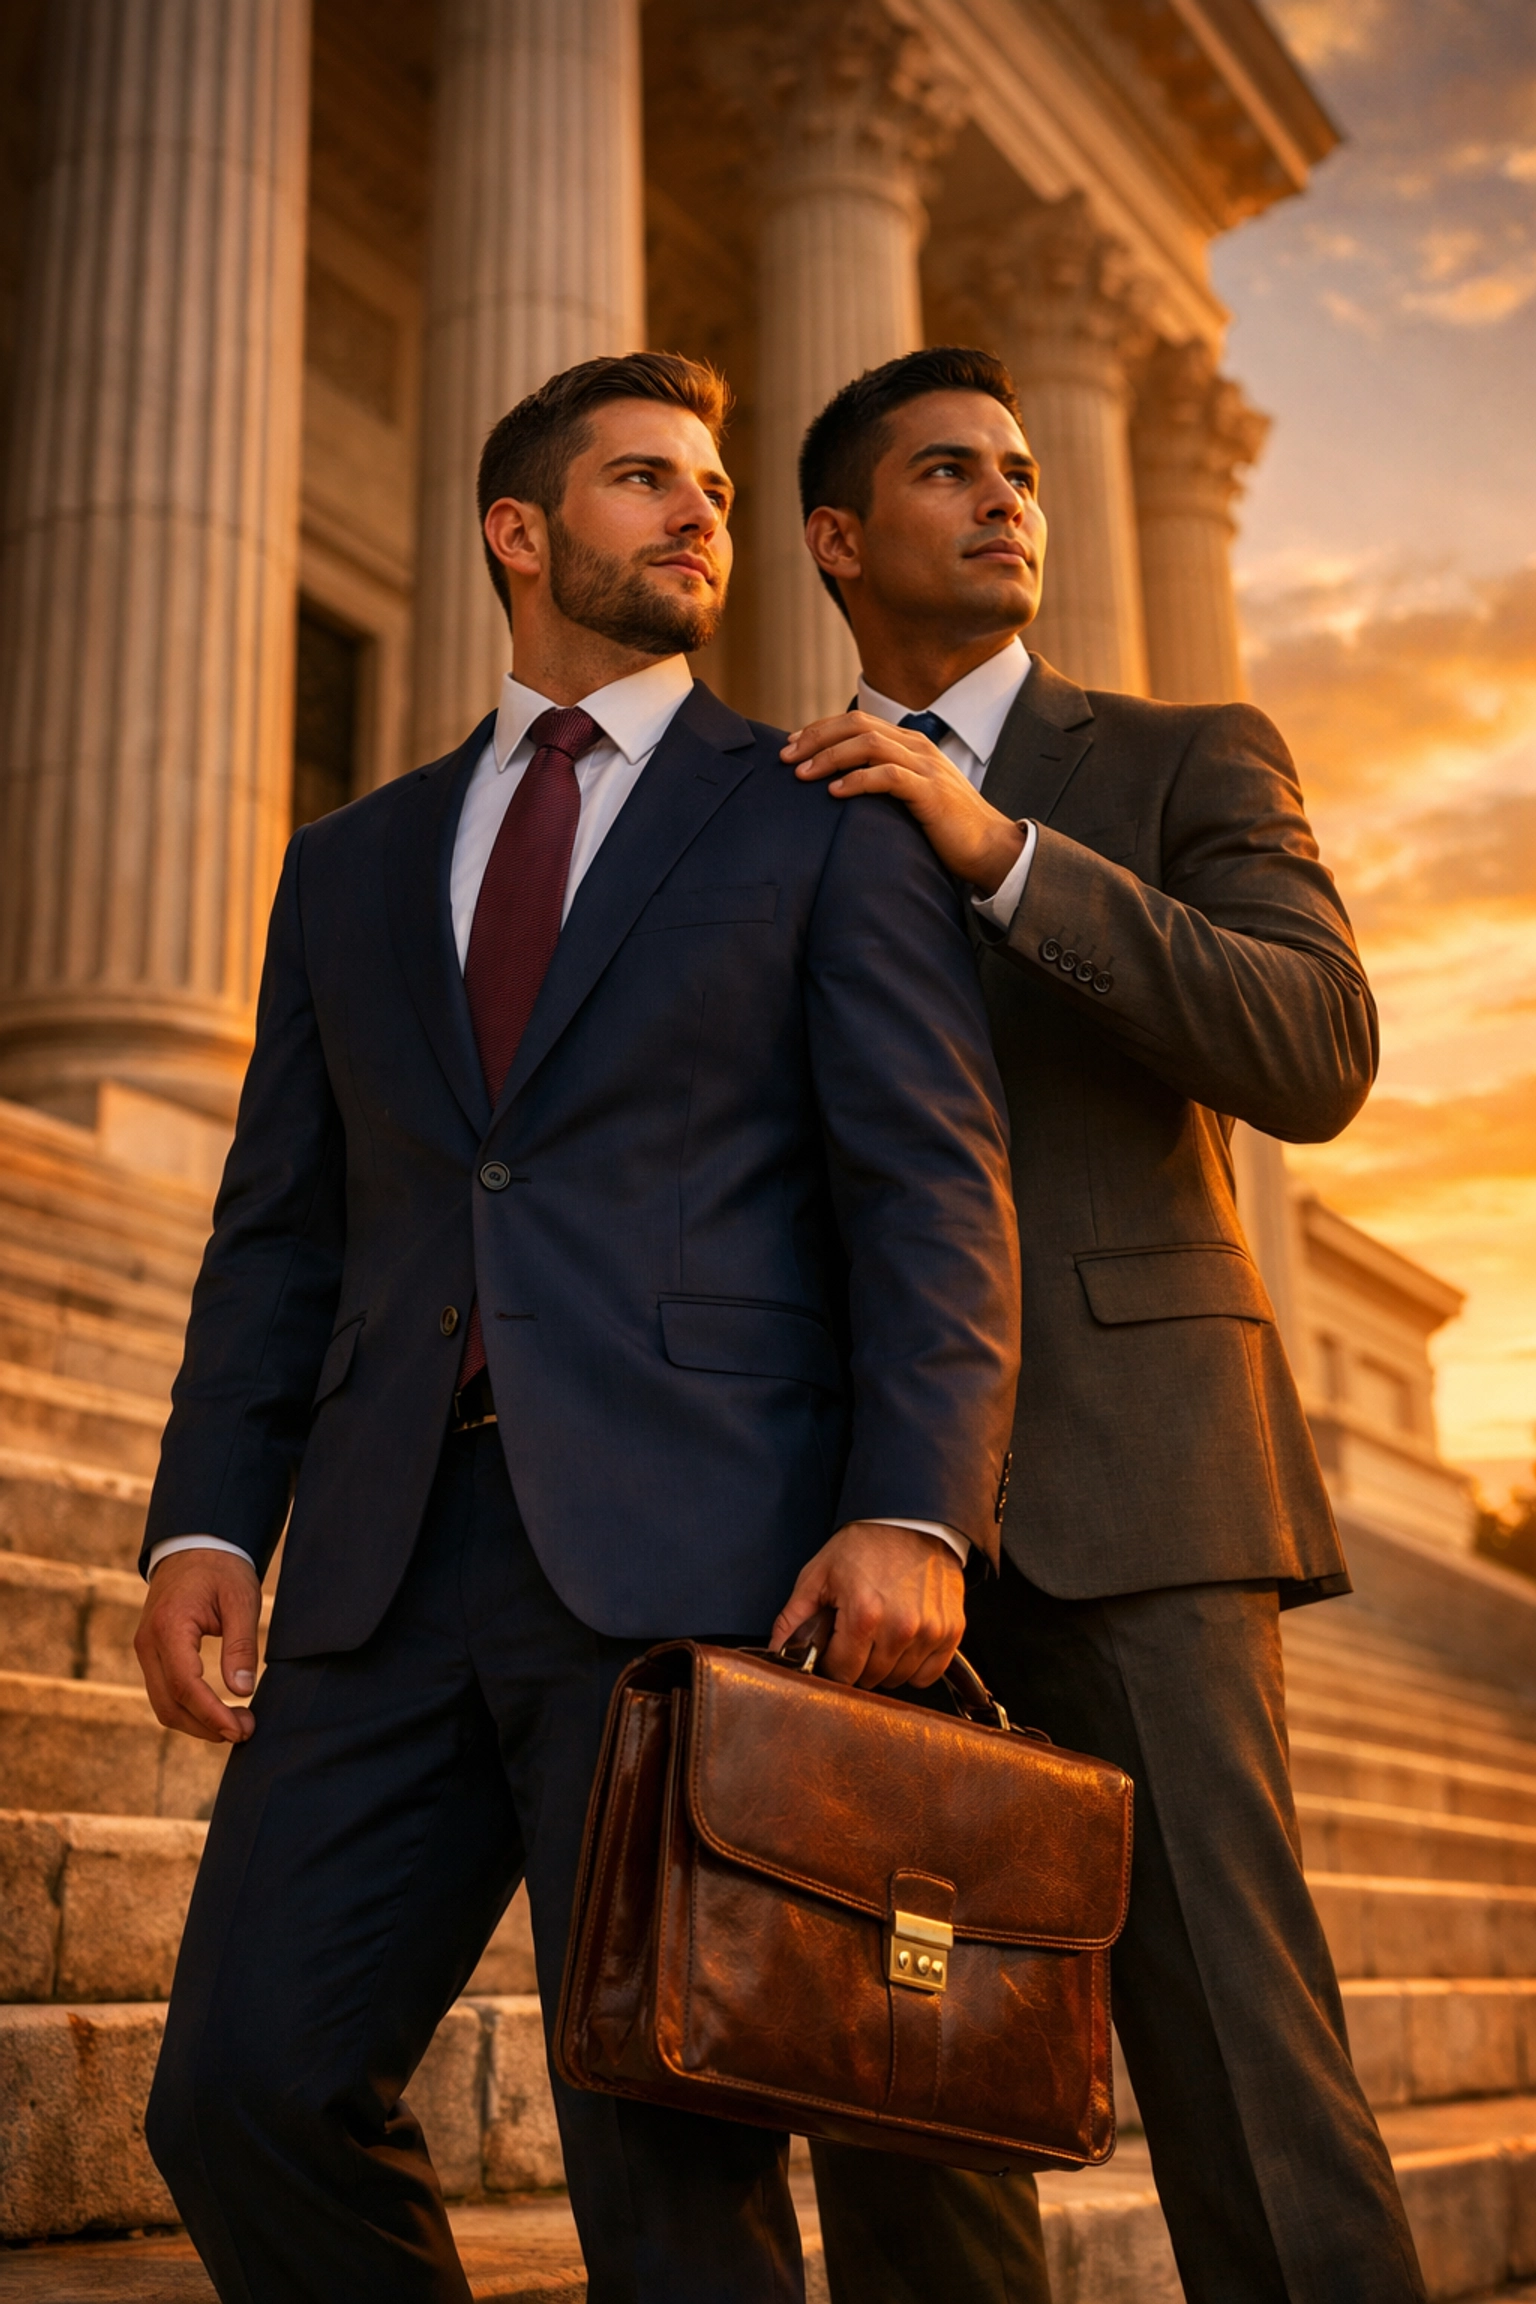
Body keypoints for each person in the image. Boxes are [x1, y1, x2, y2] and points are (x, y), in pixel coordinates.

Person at [132, 350, 1022, 2304]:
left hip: (692, 1568)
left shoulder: (823, 814)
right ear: (518, 533)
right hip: (379, 1566)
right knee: (242, 2094)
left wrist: (914, 1508)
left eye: (715, 488)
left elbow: (930, 1189)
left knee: (671, 2183)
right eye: (643, 479)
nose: (701, 511)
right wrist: (206, 1519)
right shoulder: (349, 862)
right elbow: (279, 1231)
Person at [785, 347, 1426, 2304]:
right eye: (948, 471)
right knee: (903, 2100)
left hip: (1144, 1500)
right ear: (836, 539)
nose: (1009, 497)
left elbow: (1314, 1045)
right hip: (852, 1523)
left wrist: (998, 856)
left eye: (1021, 469)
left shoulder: (1180, 756)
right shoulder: (762, 806)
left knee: (1245, 2071)